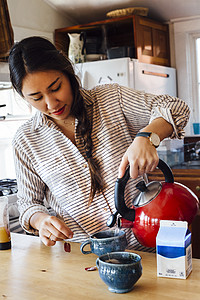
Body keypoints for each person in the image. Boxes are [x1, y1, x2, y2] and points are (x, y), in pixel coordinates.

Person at [8, 36, 190, 251]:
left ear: (68, 73)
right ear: (23, 96)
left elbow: (176, 108)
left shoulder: (111, 99)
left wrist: (147, 137)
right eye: (36, 97)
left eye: (56, 88)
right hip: (80, 257)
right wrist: (40, 221)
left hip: (146, 251)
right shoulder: (26, 140)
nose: (51, 103)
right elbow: (29, 204)